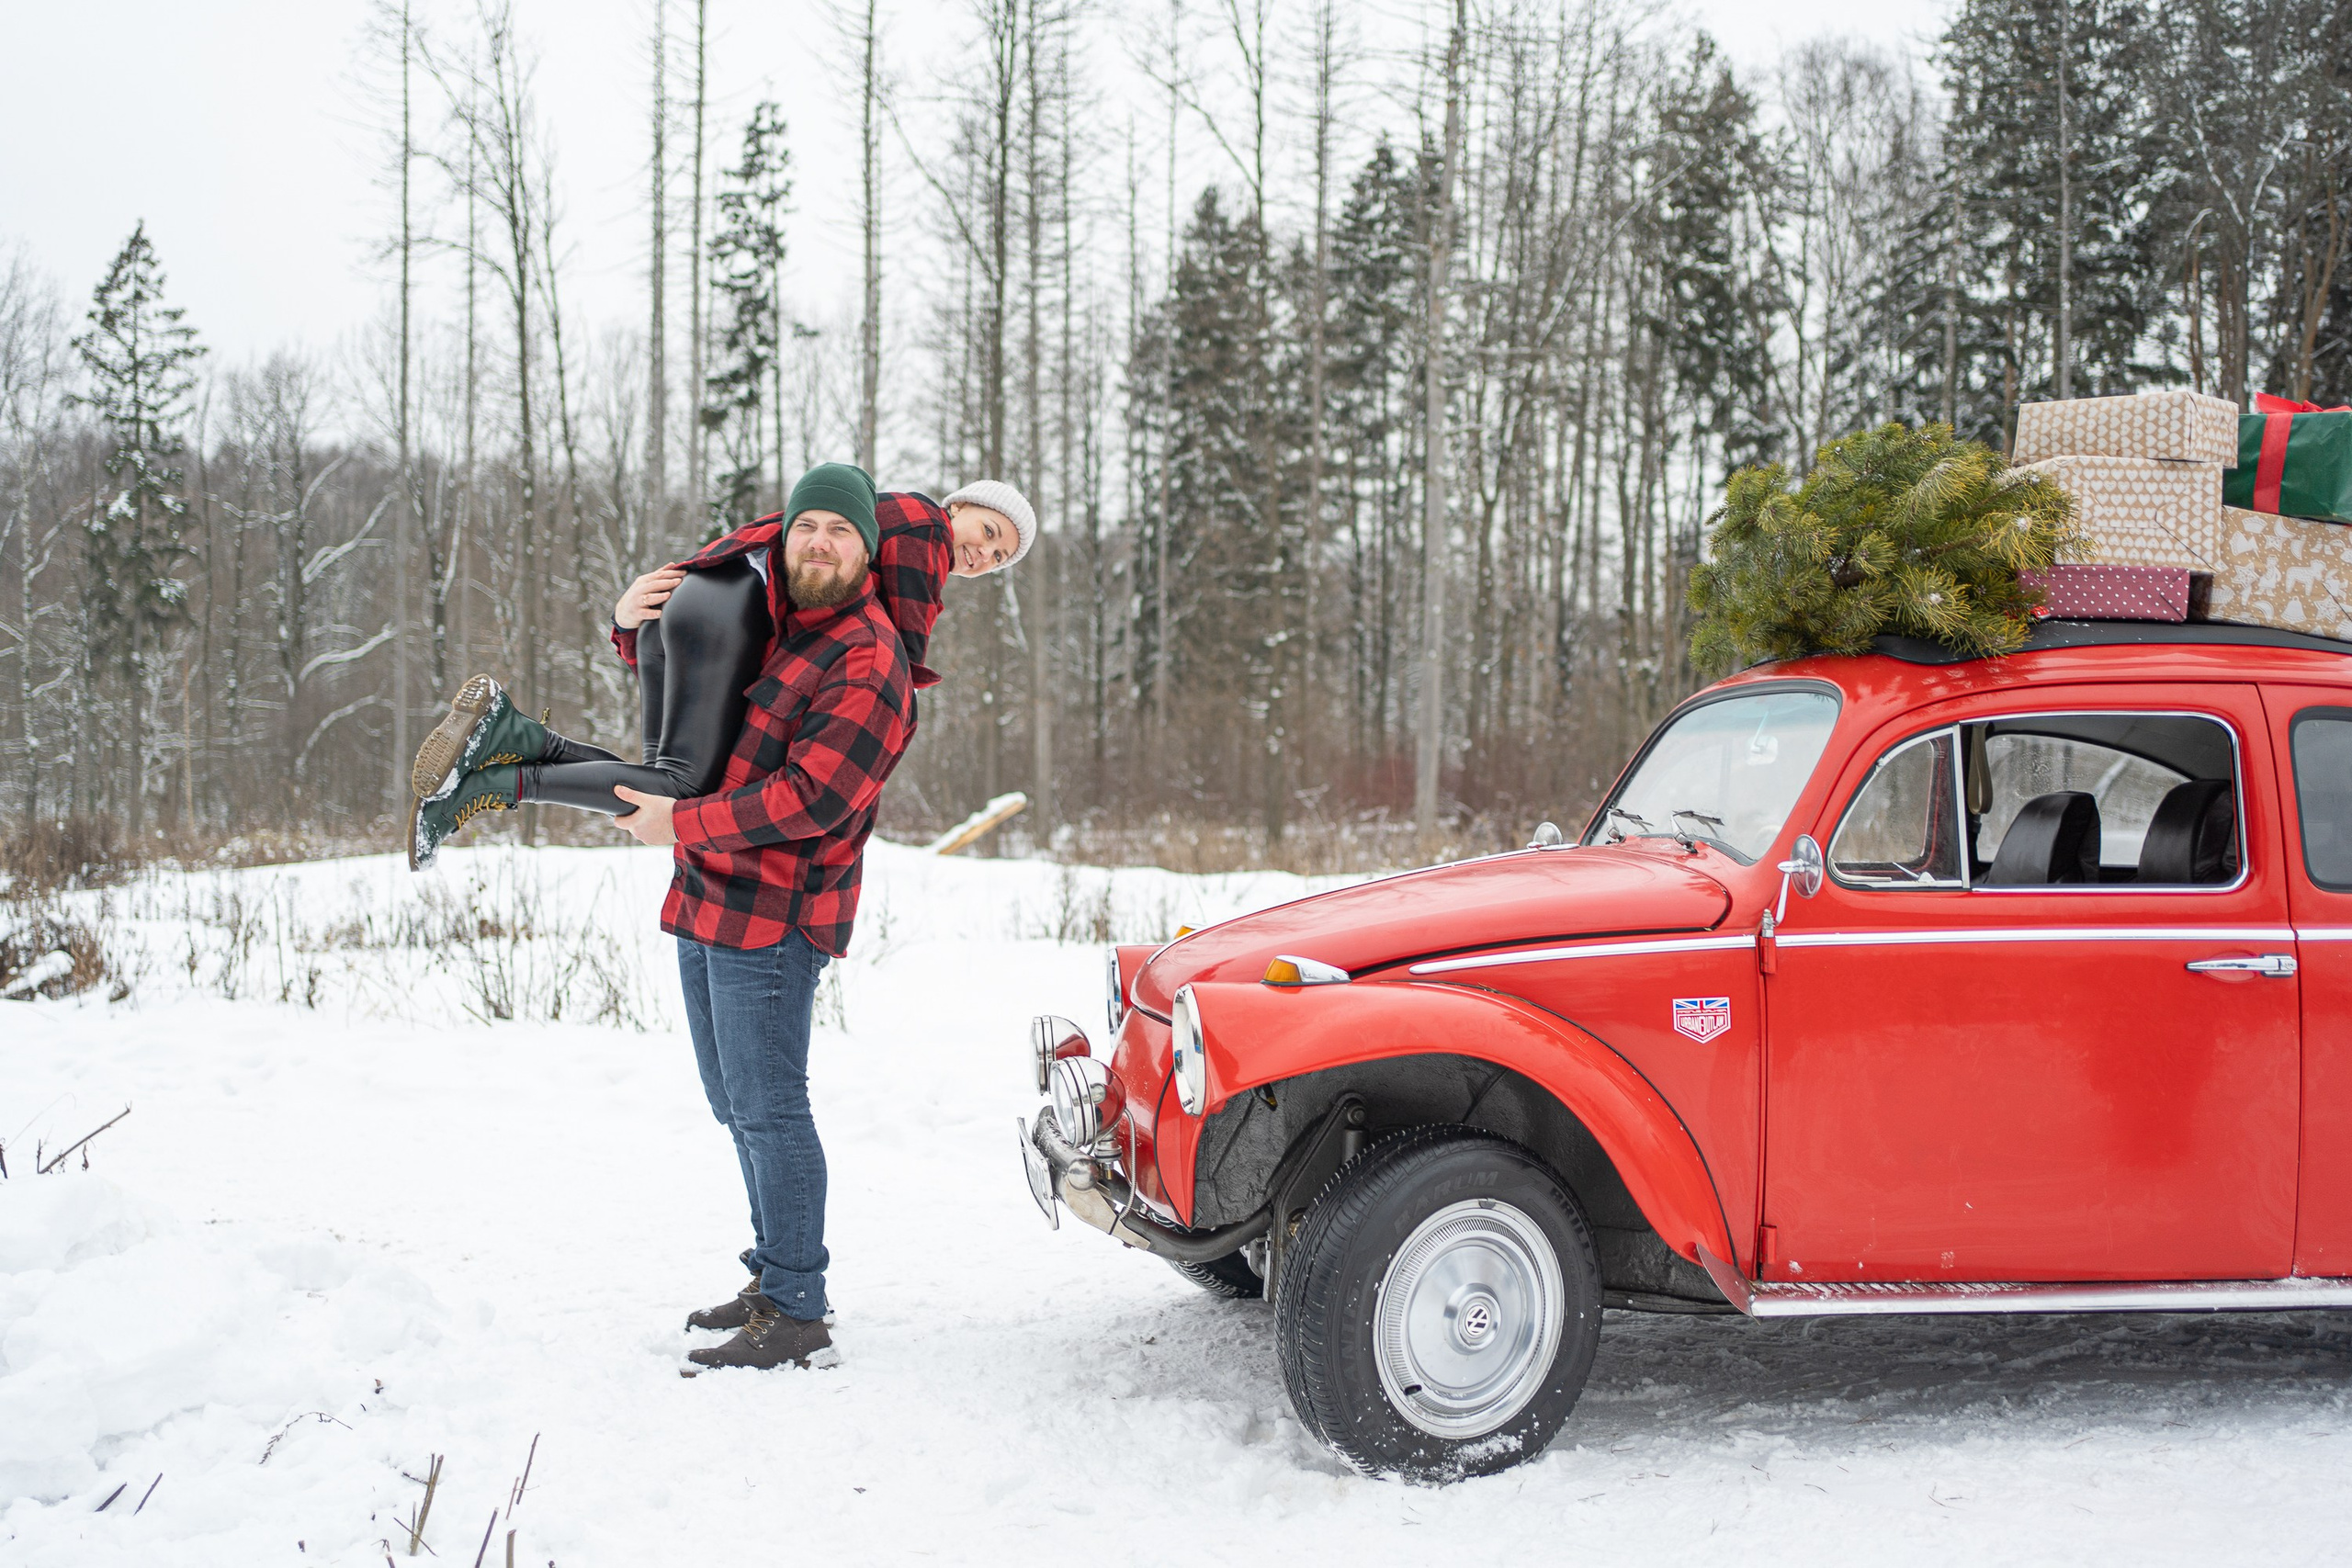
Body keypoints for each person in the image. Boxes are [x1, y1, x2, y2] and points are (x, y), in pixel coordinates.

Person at [403, 478, 1034, 868]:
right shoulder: (925, 529)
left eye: (999, 555)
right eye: (986, 529)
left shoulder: (899, 525)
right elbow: (897, 651)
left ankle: (520, 740)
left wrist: (628, 623)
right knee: (680, 791)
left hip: (695, 598)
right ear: (958, 507)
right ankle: (493, 786)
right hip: (731, 608)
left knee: (661, 780)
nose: (982, 553)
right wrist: (899, 690)